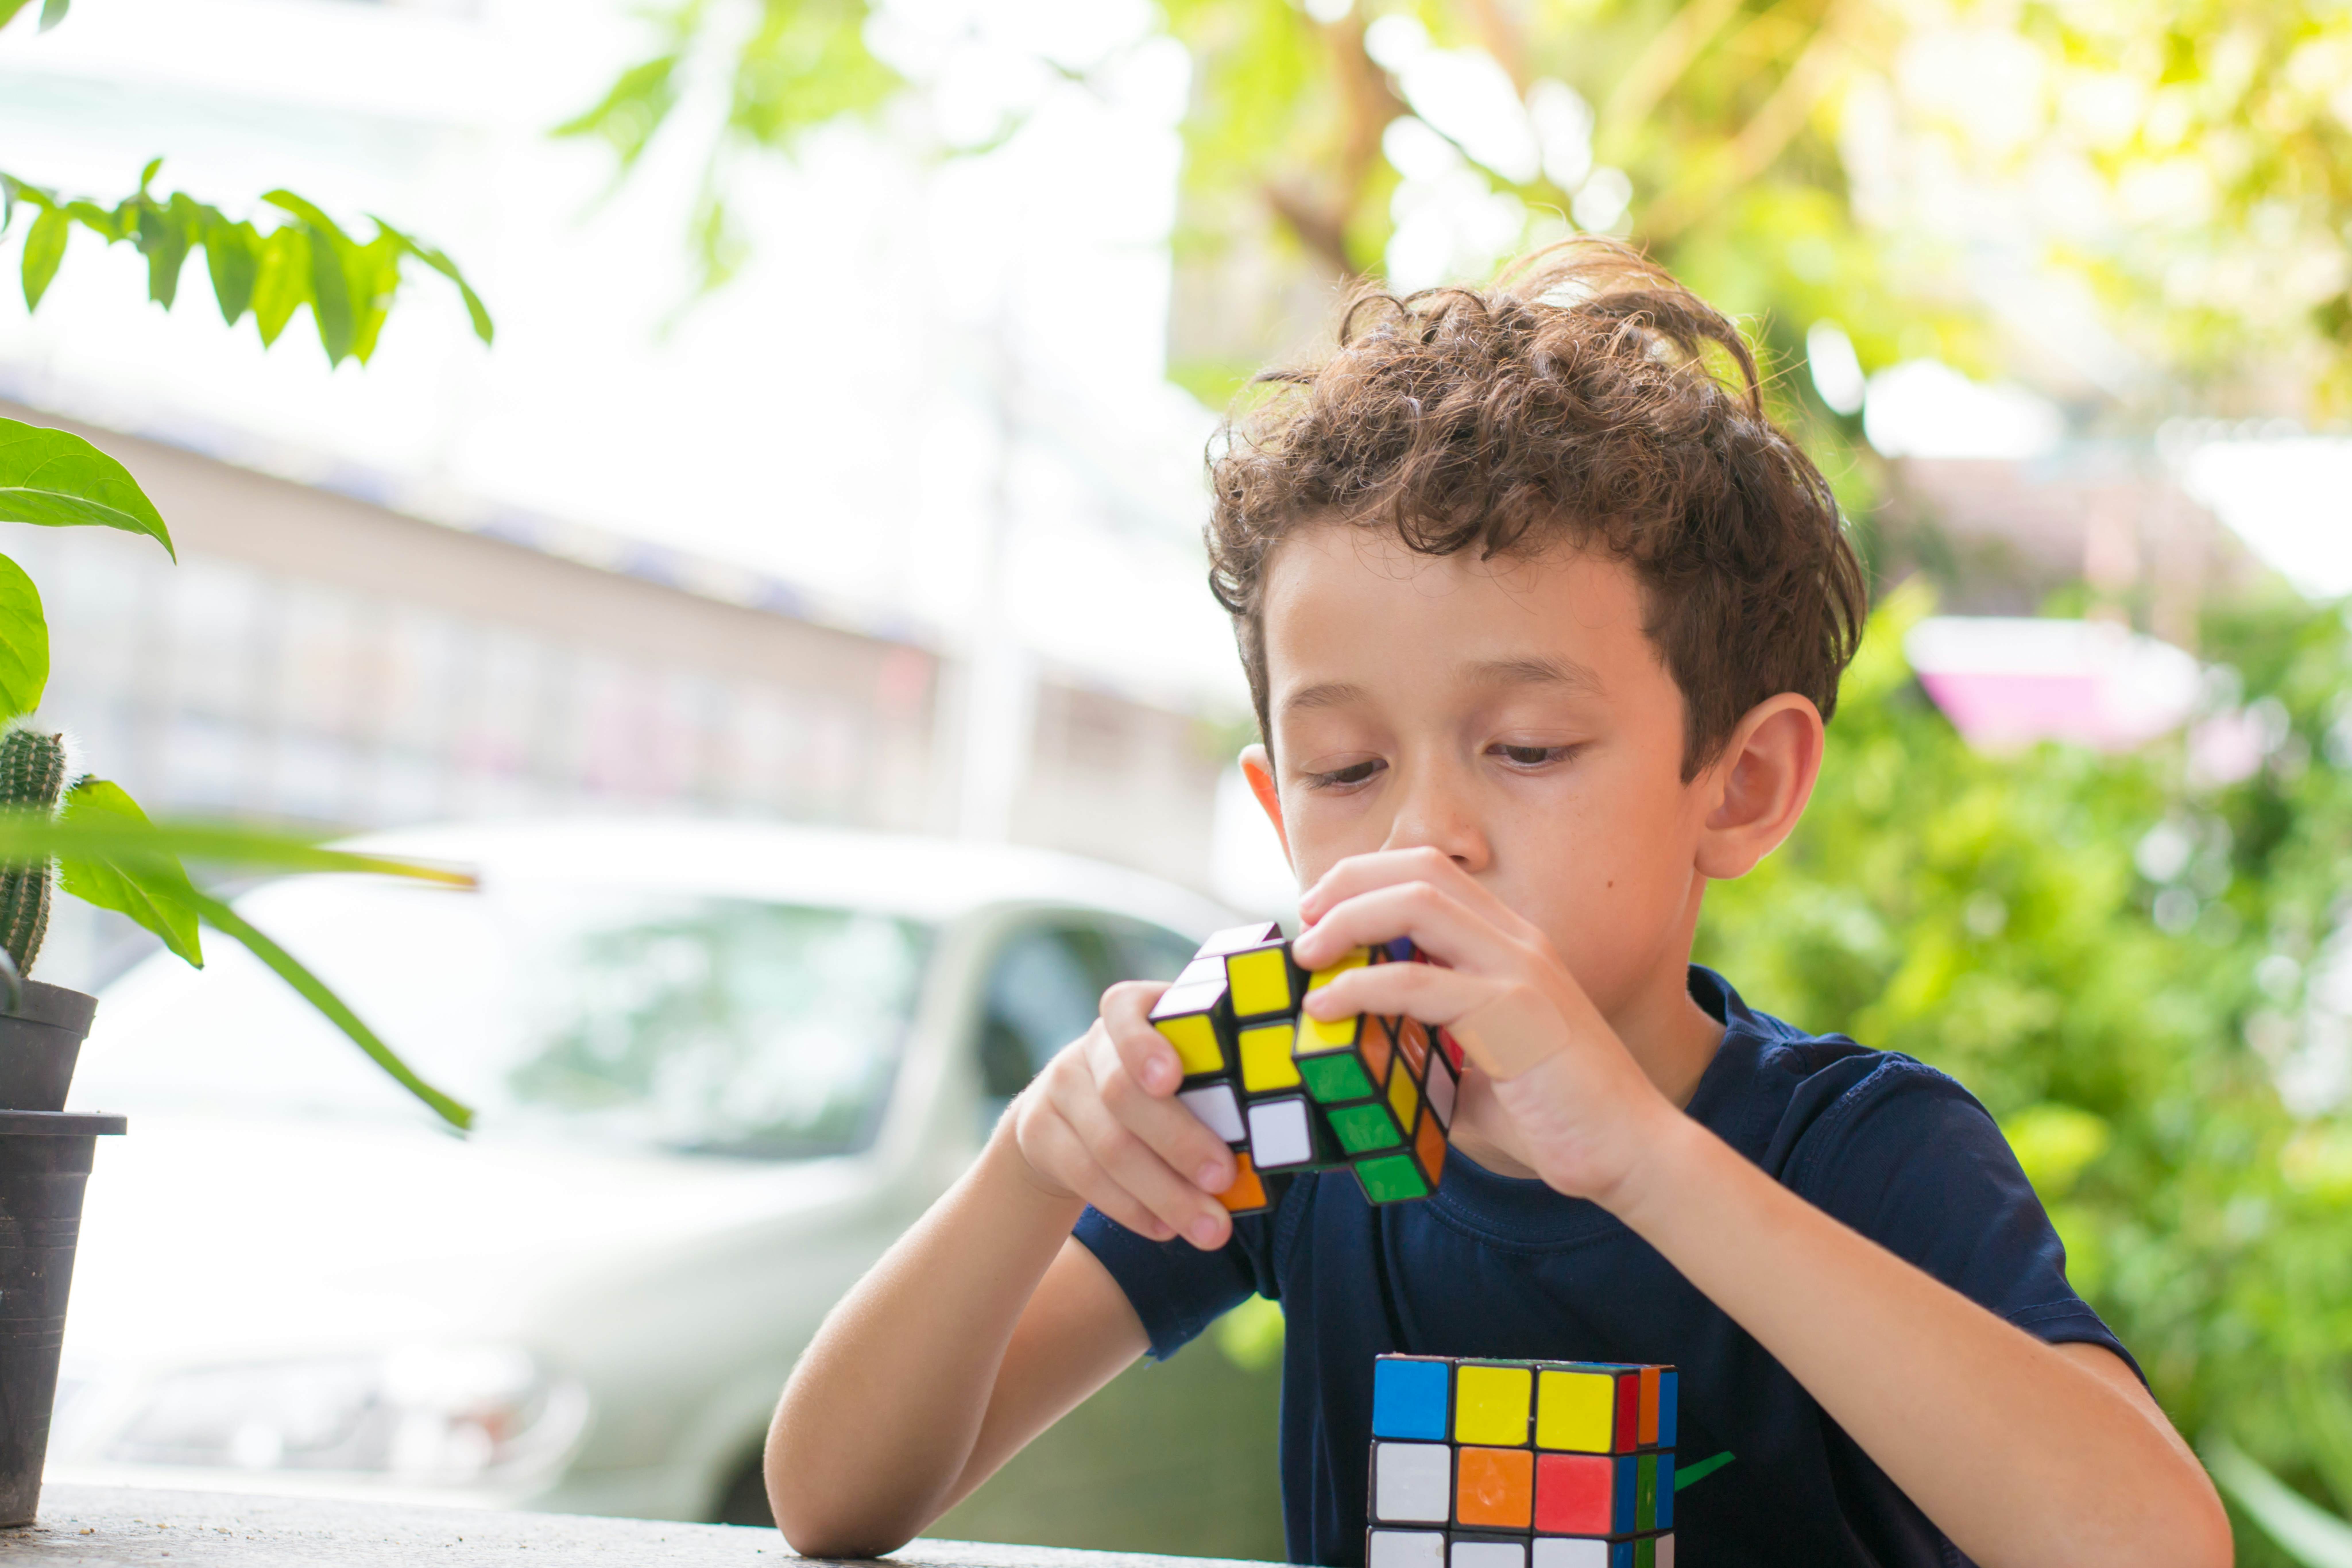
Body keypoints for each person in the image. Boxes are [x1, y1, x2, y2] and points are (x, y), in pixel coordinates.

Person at [762, 241, 2231, 1568]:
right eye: (1344, 767)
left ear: (1737, 783)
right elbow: (834, 1498)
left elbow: (2150, 1547)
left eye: (1525, 748)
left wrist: (1643, 1160)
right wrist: (1034, 1156)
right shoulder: (1304, 1145)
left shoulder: (1856, 1154)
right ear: (1277, 812)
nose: (1425, 835)